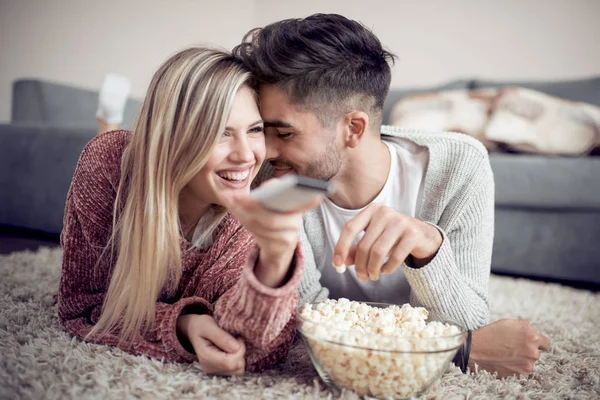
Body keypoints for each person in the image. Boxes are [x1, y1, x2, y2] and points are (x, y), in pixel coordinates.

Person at [233, 13, 551, 378]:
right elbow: (298, 317)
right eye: (262, 130)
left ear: (353, 128)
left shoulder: (460, 164)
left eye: (283, 134)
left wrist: (429, 249)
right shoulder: (266, 174)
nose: (264, 151)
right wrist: (457, 349)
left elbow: (469, 319)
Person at [58, 47, 321, 376]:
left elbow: (257, 345)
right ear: (175, 137)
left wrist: (274, 259)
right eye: (220, 133)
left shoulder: (253, 205)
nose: (247, 156)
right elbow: (80, 305)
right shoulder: (107, 165)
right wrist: (182, 324)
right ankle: (107, 119)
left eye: (255, 130)